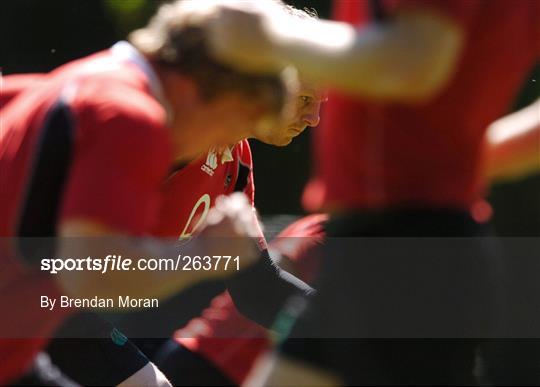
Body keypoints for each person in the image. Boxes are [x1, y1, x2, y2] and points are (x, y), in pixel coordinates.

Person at [206, 0, 540, 384]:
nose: (315, 117)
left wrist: (271, 35)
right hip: (408, 244)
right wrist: (450, 165)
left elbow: (412, 59)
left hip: (403, 247)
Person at [0, 0, 294, 383]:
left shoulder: (90, 78)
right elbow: (91, 276)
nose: (225, 145)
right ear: (215, 90)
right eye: (232, 127)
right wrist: (203, 255)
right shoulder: (131, 117)